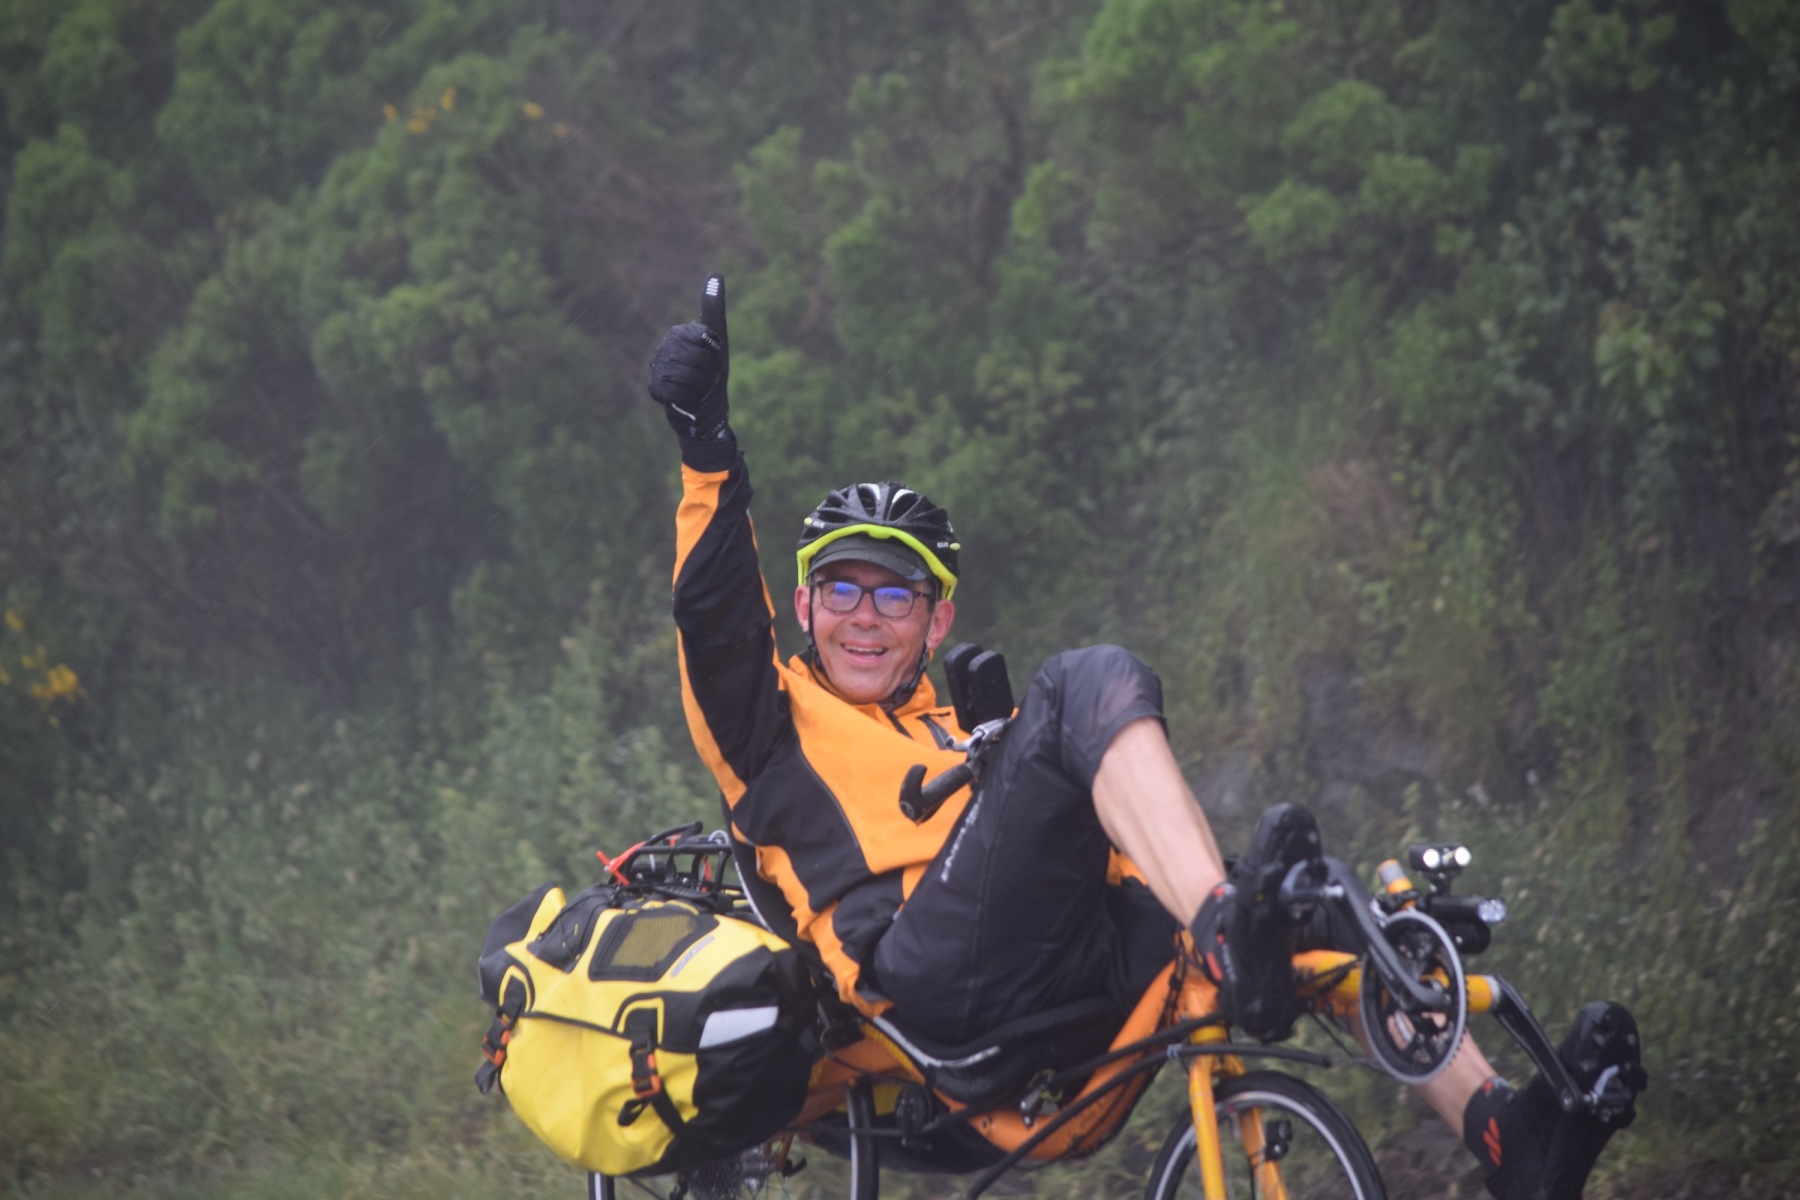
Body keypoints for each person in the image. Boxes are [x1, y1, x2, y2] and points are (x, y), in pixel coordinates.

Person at [647, 273, 1644, 1200]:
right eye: (844, 590)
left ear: (937, 620)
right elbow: (714, 611)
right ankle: (1222, 918)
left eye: (896, 592)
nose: (867, 616)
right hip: (918, 980)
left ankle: (1511, 1134)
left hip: (1051, 963)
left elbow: (1067, 850)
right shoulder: (767, 722)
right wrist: (708, 452)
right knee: (1083, 685)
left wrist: (1239, 902)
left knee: (1308, 903)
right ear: (805, 606)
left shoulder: (957, 730)